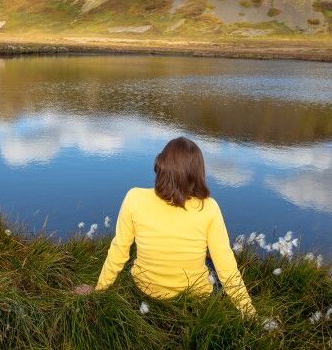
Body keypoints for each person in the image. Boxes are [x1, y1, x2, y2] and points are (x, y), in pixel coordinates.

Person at [75, 136, 256, 318]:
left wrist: (99, 289)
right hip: (195, 296)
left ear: (160, 165)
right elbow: (226, 266)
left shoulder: (134, 198)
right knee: (214, 261)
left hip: (145, 289)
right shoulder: (209, 208)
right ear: (197, 173)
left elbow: (119, 250)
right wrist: (249, 313)